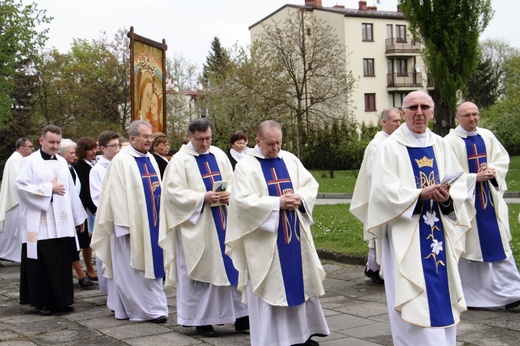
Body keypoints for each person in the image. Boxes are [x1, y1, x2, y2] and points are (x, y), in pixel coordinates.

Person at [365, 91, 469, 346]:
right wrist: (418, 195)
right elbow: (381, 191)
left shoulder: (441, 144)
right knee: (411, 296)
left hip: (438, 233)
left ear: (432, 112)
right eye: (413, 108)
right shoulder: (389, 148)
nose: (419, 112)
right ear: (403, 113)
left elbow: (460, 185)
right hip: (405, 235)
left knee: (441, 293)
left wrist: (446, 196)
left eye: (424, 107)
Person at [225, 120, 330, 346]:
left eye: (279, 143)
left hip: (295, 237)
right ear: (257, 141)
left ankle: (302, 335)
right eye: (270, 143)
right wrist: (276, 203)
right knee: (272, 288)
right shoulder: (246, 166)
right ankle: (274, 339)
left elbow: (310, 186)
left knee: (300, 282)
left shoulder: (290, 159)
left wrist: (300, 198)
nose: (275, 148)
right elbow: (242, 202)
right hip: (265, 243)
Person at [159, 118, 248, 337]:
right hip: (197, 226)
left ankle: (240, 315)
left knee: (233, 266)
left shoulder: (219, 155)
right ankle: (202, 320)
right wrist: (202, 198)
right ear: (190, 137)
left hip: (223, 220)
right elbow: (172, 194)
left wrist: (229, 194)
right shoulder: (179, 161)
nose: (205, 144)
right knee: (201, 273)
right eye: (200, 139)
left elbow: (233, 180)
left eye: (208, 138)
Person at [444, 101, 520, 310]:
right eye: (467, 115)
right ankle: (469, 296)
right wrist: (474, 178)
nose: (472, 119)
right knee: (468, 250)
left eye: (475, 114)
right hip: (467, 205)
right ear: (457, 117)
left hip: (489, 201)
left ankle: (513, 291)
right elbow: (447, 174)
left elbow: (501, 159)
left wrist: (492, 169)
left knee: (499, 246)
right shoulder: (448, 142)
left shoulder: (487, 136)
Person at [91, 120, 168, 323]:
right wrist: (124, 226)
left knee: (149, 266)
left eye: (150, 136)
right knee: (131, 269)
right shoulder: (122, 161)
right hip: (130, 227)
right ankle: (147, 310)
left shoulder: (150, 158)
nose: (149, 140)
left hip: (151, 222)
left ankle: (126, 307)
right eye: (145, 136)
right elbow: (115, 196)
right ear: (133, 138)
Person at [16, 125, 87, 315]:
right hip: (40, 222)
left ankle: (62, 300)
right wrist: (49, 189)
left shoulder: (63, 163)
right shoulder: (29, 162)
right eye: (51, 142)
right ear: (41, 141)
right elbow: (21, 187)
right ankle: (42, 302)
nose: (55, 146)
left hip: (62, 221)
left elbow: (71, 190)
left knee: (62, 261)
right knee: (42, 263)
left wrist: (78, 217)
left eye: (57, 142)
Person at [350, 107, 401, 284]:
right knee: (381, 237)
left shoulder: (397, 142)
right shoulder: (377, 145)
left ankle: (381, 268)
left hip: (396, 196)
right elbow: (372, 174)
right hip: (381, 198)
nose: (398, 124)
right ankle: (377, 268)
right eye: (394, 121)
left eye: (399, 121)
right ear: (383, 122)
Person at [57, 139, 94, 289]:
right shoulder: (64, 169)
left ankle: (81, 274)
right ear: (62, 154)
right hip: (66, 213)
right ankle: (80, 274)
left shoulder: (71, 168)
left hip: (78, 210)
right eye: (71, 153)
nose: (74, 156)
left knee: (80, 243)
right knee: (73, 244)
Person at [89, 130, 120, 294]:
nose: (117, 149)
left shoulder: (122, 165)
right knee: (107, 254)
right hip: (108, 218)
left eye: (118, 145)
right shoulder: (97, 170)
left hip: (122, 217)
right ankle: (109, 290)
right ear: (102, 148)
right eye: (112, 146)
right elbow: (97, 197)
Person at [0, 137, 34, 264]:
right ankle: (7, 253)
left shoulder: (20, 159)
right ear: (21, 148)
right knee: (12, 231)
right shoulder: (15, 160)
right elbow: (18, 181)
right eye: (30, 146)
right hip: (15, 201)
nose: (32, 149)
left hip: (18, 200)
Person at [73, 137, 98, 282]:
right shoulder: (81, 166)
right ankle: (89, 267)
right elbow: (85, 191)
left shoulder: (93, 163)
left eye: (95, 148)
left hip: (92, 206)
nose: (94, 152)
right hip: (87, 207)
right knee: (86, 240)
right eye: (90, 149)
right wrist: (94, 209)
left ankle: (91, 267)